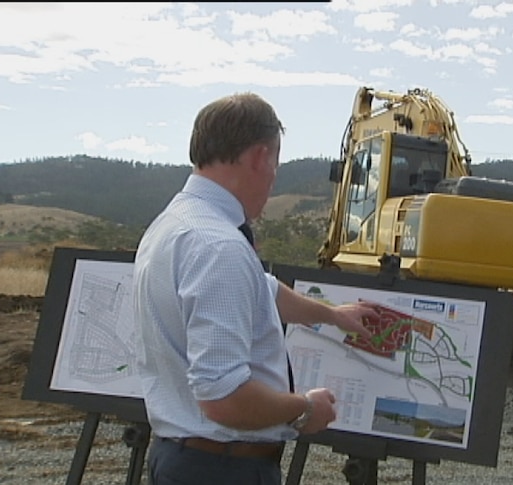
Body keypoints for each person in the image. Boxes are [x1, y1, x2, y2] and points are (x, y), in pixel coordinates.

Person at [133, 92, 378, 485]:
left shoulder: (176, 223)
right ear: (262, 157)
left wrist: (332, 315)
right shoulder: (219, 247)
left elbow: (262, 289)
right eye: (275, 166)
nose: (272, 178)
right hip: (223, 469)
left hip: (185, 458)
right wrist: (303, 409)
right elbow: (223, 398)